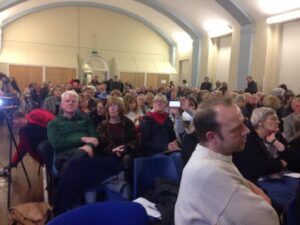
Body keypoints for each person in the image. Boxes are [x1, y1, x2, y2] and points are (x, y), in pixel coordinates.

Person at [175, 98, 279, 225]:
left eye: (244, 123)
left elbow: (240, 180)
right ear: (212, 137)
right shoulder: (210, 171)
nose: (247, 130)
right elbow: (267, 218)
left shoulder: (210, 153)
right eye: (236, 129)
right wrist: (263, 199)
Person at [233, 107, 300, 211]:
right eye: (273, 119)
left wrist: (277, 144)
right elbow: (258, 167)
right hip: (263, 180)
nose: (278, 121)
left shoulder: (276, 136)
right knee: (290, 203)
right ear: (260, 122)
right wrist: (281, 163)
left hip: (285, 175)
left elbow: (296, 161)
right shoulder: (249, 138)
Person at [47, 90, 99, 175]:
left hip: (86, 154)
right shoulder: (53, 123)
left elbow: (94, 139)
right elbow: (57, 144)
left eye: (74, 101)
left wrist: (88, 146)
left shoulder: (86, 119)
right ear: (61, 105)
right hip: (65, 156)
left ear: (77, 105)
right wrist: (82, 139)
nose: (70, 103)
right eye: (67, 101)